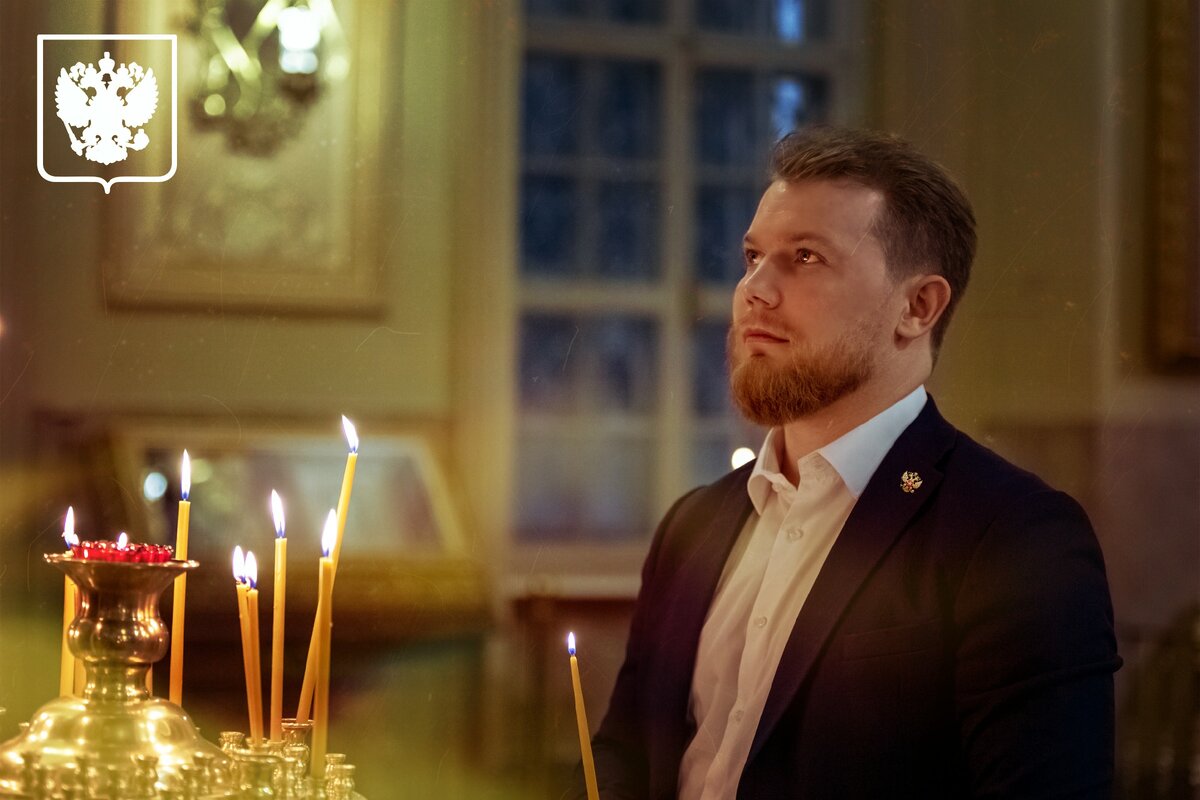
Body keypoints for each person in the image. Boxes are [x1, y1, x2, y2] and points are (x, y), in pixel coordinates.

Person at [574, 126, 1121, 799]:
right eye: (753, 257)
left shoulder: (1015, 537)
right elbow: (624, 752)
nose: (754, 291)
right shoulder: (693, 524)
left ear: (917, 307)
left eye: (805, 257)